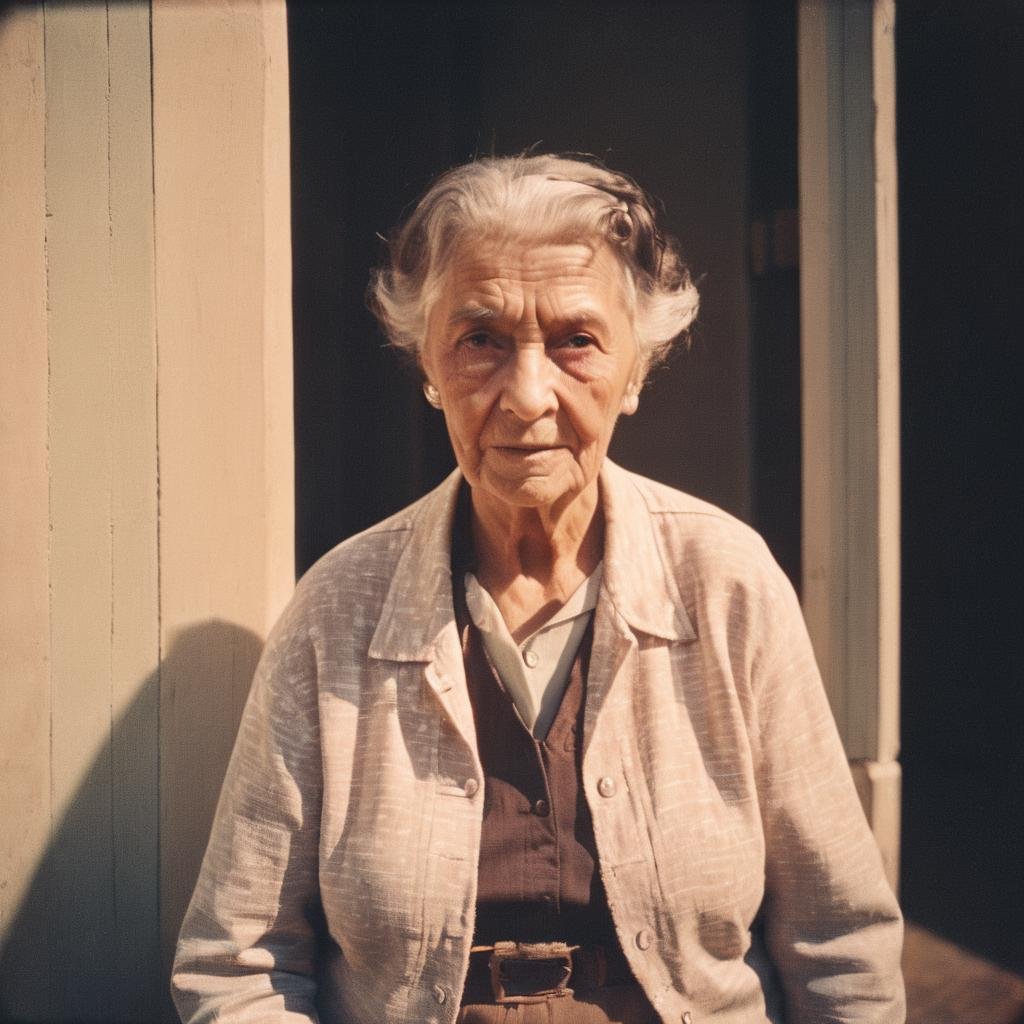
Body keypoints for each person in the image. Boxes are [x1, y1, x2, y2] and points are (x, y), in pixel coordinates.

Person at [172, 154, 905, 1023]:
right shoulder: (340, 607)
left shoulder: (727, 582)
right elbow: (239, 962)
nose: (527, 395)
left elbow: (841, 947)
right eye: (481, 339)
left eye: (576, 342)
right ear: (428, 366)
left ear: (636, 370)